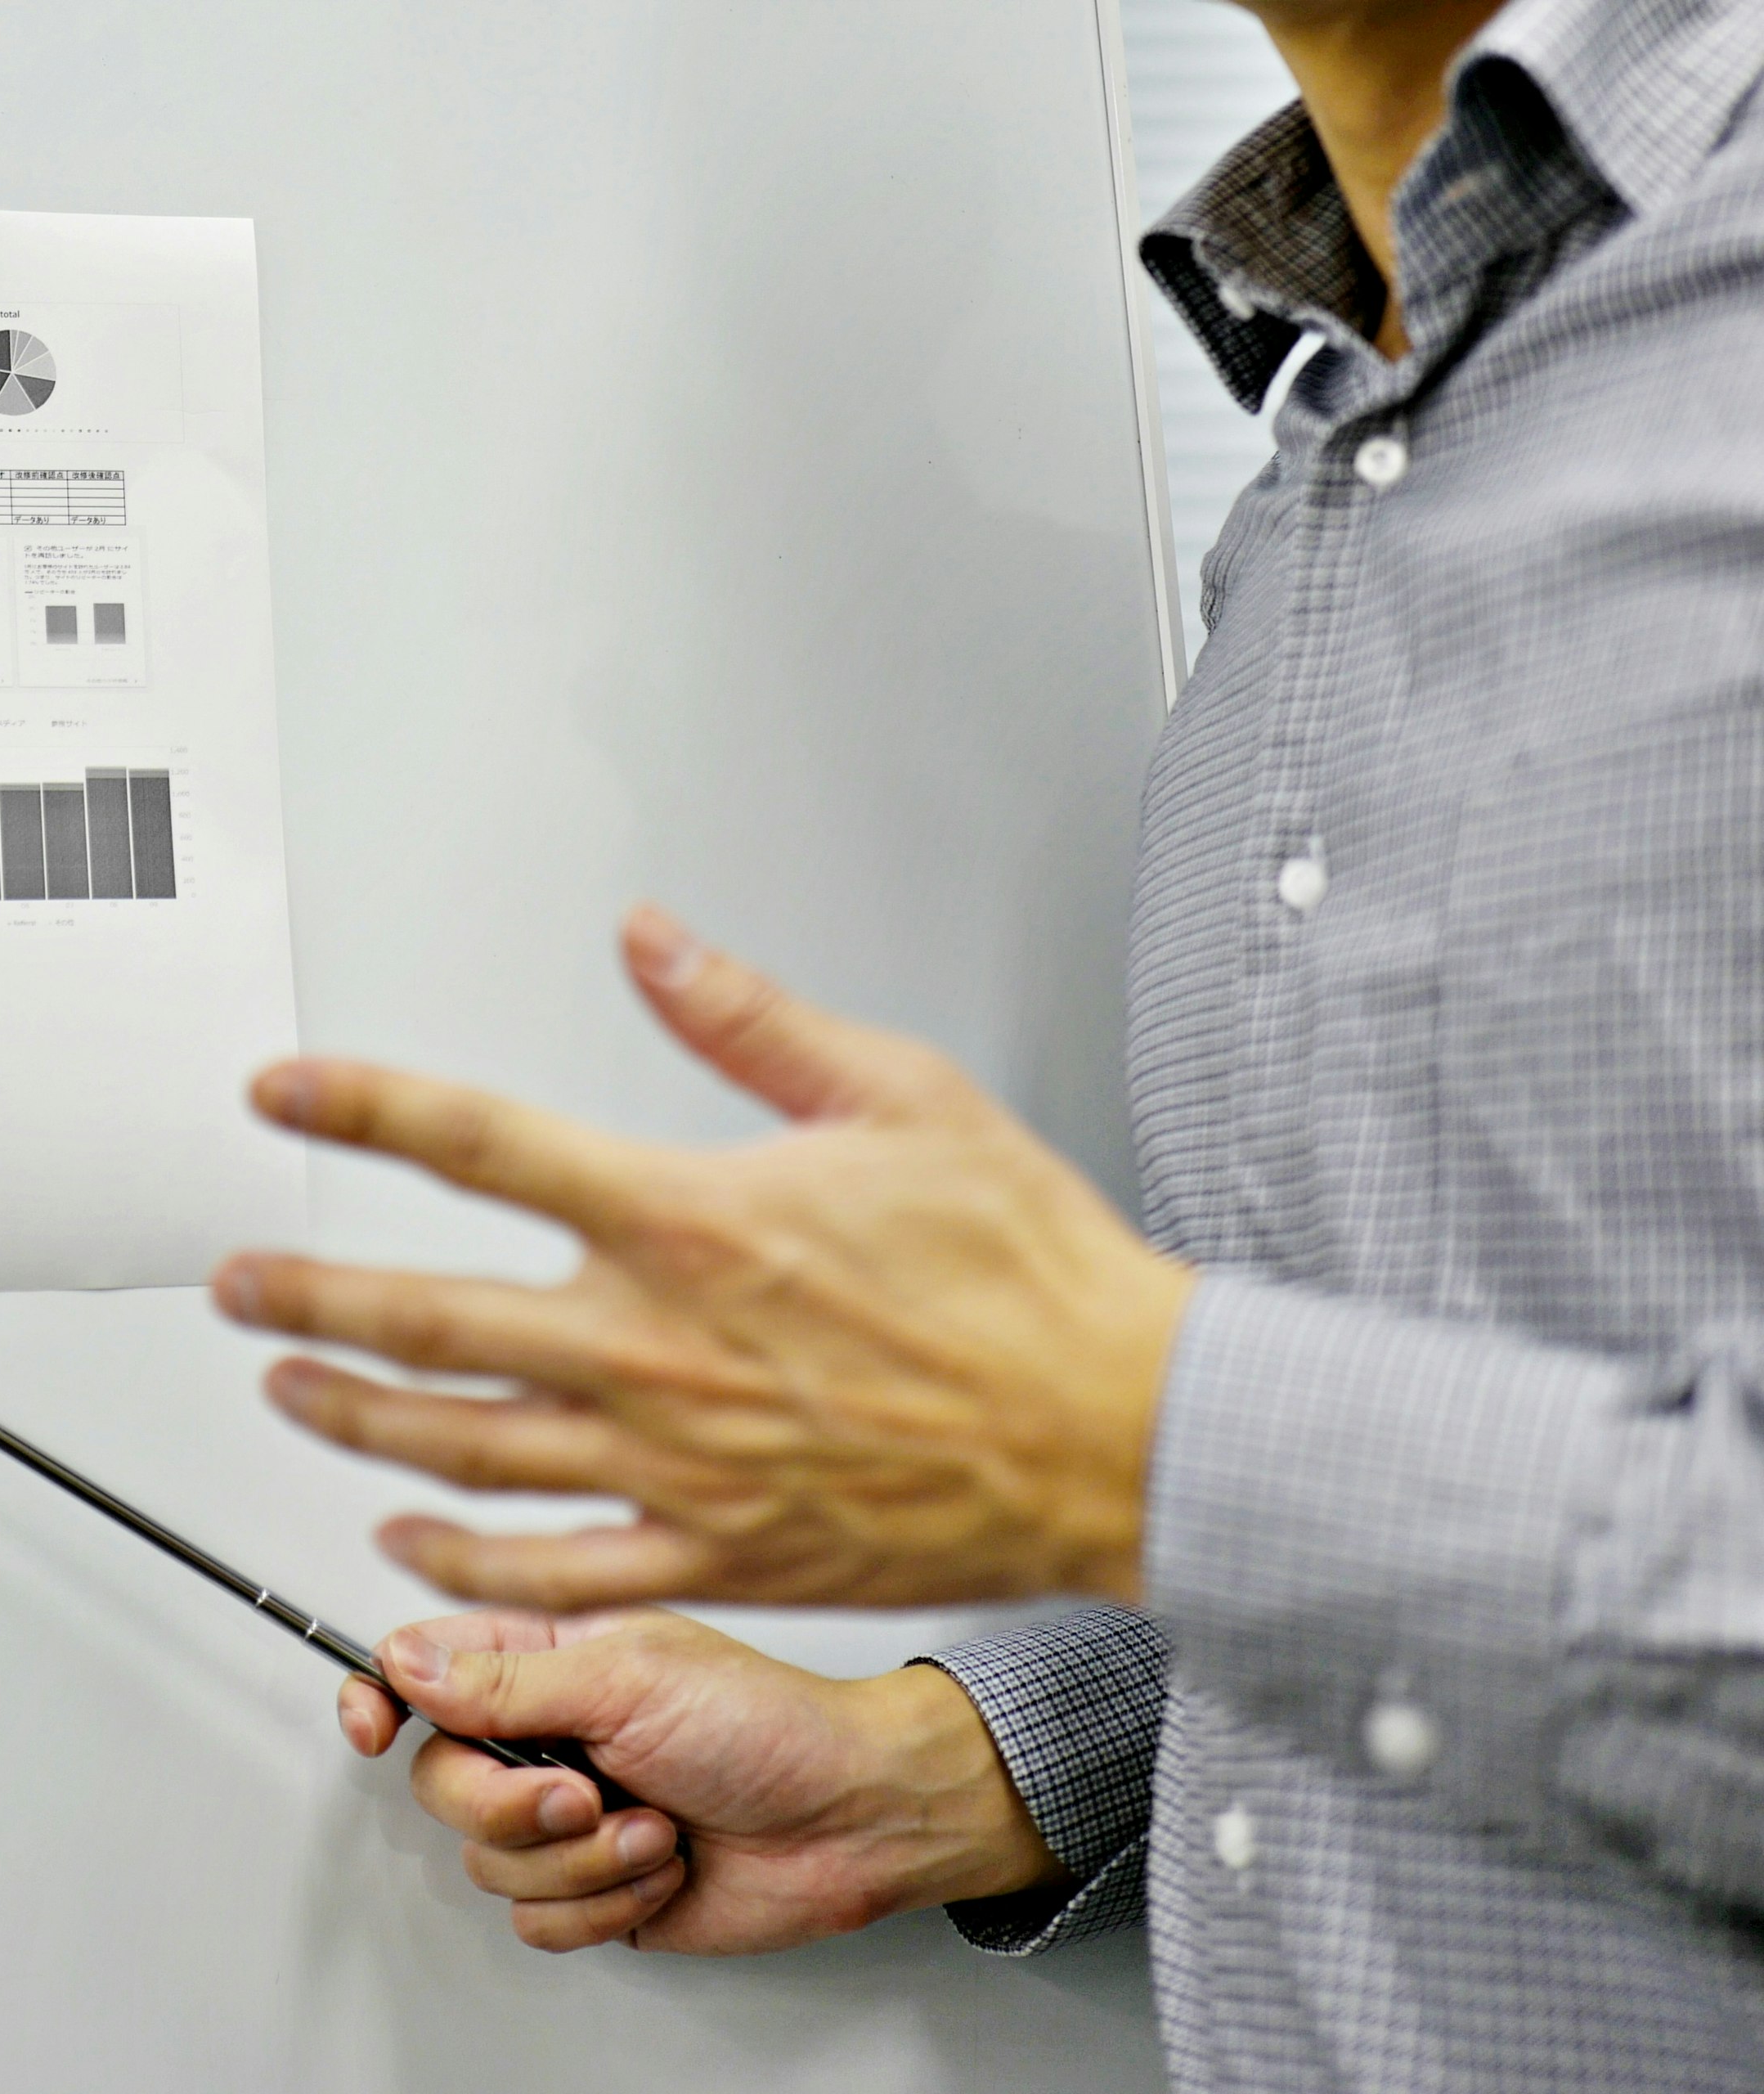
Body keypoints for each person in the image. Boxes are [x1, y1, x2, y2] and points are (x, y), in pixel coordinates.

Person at [209, 0, 1764, 2083]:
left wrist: (1147, 1435)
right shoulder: (1307, 502)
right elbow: (1462, 1401)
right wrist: (939, 1765)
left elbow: (1265, 1449)